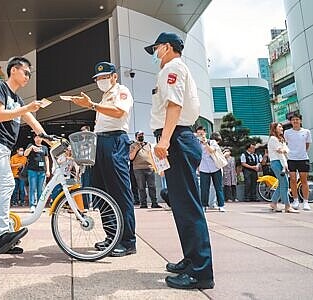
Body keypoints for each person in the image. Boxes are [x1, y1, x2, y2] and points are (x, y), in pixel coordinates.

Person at [145, 32, 214, 289]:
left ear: (166, 47)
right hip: (178, 138)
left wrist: (164, 141)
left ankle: (200, 272)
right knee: (183, 206)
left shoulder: (172, 68)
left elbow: (173, 106)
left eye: (155, 48)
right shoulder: (174, 69)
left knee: (188, 207)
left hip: (177, 139)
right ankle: (191, 260)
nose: (154, 54)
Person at [0, 56, 47, 254]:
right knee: (8, 183)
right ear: (13, 70)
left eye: (30, 75)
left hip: (3, 146)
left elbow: (33, 122)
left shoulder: (18, 100)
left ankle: (3, 235)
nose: (28, 77)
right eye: (26, 72)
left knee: (2, 186)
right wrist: (27, 108)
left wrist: (49, 138)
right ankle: (0, 236)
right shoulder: (0, 87)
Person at [71, 61, 136, 257]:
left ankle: (127, 241)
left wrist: (91, 105)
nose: (101, 81)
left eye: (104, 77)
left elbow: (119, 112)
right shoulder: (104, 96)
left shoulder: (121, 91)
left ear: (114, 76)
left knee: (119, 191)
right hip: (99, 142)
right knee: (101, 192)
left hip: (115, 140)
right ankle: (112, 236)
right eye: (98, 78)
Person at [268, 122, 298, 213]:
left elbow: (285, 151)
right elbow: (280, 151)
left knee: (282, 184)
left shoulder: (280, 139)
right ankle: (287, 206)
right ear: (274, 128)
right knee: (284, 184)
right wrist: (285, 151)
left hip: (281, 163)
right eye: (280, 127)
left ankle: (273, 203)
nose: (282, 128)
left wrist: (285, 151)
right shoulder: (273, 139)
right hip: (276, 163)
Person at [284, 113, 312, 211]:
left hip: (303, 158)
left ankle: (305, 202)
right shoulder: (287, 132)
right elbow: (285, 144)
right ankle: (295, 200)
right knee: (292, 179)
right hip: (291, 158)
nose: (295, 121)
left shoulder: (306, 132)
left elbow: (307, 145)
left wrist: (301, 152)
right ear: (291, 122)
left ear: (300, 121)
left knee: (304, 180)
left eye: (297, 119)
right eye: (293, 120)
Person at [130, 130, 161, 208]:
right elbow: (131, 157)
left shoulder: (148, 145)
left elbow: (153, 155)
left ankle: (154, 203)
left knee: (152, 186)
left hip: (150, 168)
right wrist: (136, 148)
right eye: (139, 135)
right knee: (141, 187)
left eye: (142, 135)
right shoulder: (133, 145)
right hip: (138, 169)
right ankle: (143, 204)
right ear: (136, 137)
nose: (141, 136)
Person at [199, 131, 226, 212]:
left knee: (218, 187)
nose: (202, 136)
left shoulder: (212, 142)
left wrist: (205, 143)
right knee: (204, 188)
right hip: (204, 168)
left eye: (203, 134)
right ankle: (204, 205)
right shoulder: (197, 144)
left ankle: (221, 205)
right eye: (200, 135)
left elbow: (211, 151)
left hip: (215, 167)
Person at [24, 134, 50, 213]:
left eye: (40, 137)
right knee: (32, 188)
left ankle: (40, 205)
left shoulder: (44, 148)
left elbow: (46, 159)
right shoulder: (31, 145)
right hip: (32, 170)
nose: (39, 139)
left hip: (42, 171)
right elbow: (25, 154)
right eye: (37, 137)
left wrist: (48, 170)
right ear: (34, 138)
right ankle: (32, 205)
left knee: (41, 189)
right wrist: (31, 148)